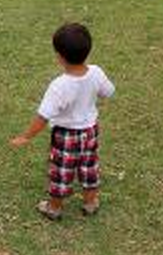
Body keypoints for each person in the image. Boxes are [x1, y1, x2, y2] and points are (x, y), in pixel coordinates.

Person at [9, 23, 115, 220]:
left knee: (61, 171)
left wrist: (26, 136)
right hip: (90, 132)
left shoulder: (59, 86)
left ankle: (54, 208)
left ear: (59, 56)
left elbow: (43, 116)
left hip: (66, 135)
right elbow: (109, 92)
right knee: (89, 167)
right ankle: (90, 203)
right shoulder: (96, 72)